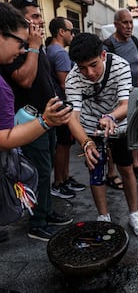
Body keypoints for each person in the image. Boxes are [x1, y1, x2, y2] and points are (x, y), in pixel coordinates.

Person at [0, 0, 74, 242]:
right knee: (39, 171)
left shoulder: (33, 44)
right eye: (33, 16)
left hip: (43, 117)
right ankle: (37, 221)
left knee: (45, 170)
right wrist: (31, 46)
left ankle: (45, 210)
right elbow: (25, 80)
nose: (40, 21)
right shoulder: (25, 49)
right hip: (29, 122)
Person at [66, 33, 138, 237]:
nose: (89, 73)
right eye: (83, 68)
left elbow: (126, 104)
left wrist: (110, 117)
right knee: (96, 172)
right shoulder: (72, 79)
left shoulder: (120, 66)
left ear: (103, 55)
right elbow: (72, 118)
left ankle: (134, 213)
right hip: (89, 127)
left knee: (126, 167)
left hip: (118, 122)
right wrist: (85, 143)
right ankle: (103, 216)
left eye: (93, 65)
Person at [103, 8, 138, 184]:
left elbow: (137, 64)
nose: (129, 26)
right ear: (116, 24)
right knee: (112, 134)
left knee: (134, 129)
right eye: (125, 22)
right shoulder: (108, 45)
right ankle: (111, 173)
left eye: (131, 22)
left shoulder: (135, 41)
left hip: (134, 93)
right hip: (115, 98)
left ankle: (135, 164)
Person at [47, 16, 85, 199]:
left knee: (65, 144)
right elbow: (65, 84)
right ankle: (59, 182)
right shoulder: (61, 53)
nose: (73, 34)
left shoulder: (51, 49)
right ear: (61, 32)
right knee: (62, 145)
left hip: (59, 105)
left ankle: (65, 177)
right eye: (71, 30)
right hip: (63, 105)